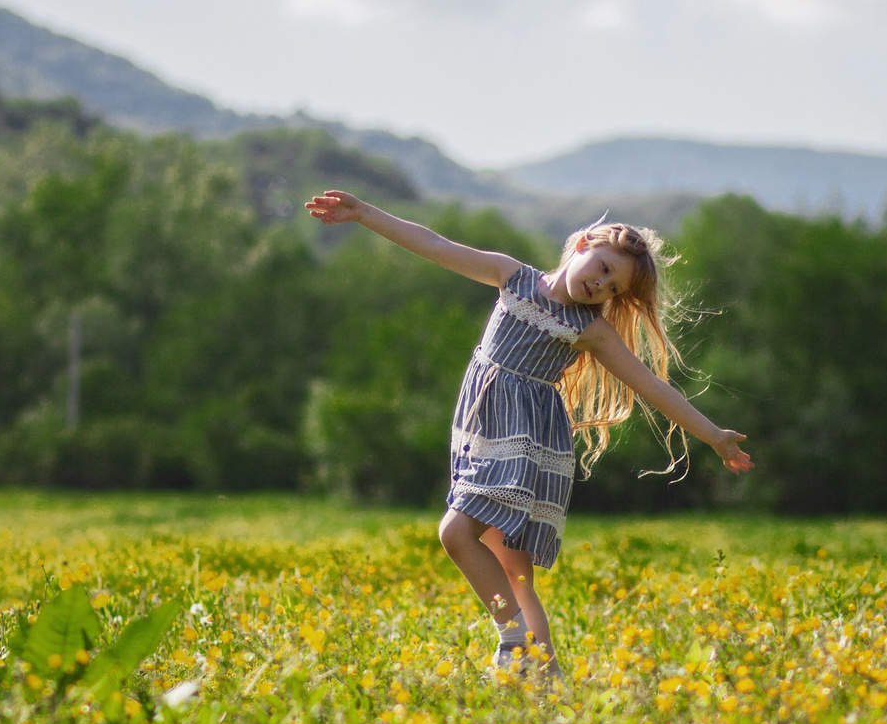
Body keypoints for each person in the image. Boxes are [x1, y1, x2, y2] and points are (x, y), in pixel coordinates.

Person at [305, 191, 754, 673]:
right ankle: (544, 676)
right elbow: (432, 243)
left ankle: (512, 640)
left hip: (526, 441)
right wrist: (365, 213)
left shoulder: (592, 331)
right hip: (481, 428)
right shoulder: (511, 277)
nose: (600, 284)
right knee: (514, 571)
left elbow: (652, 387)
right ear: (582, 244)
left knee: (456, 533)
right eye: (602, 267)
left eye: (613, 287)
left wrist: (713, 435)